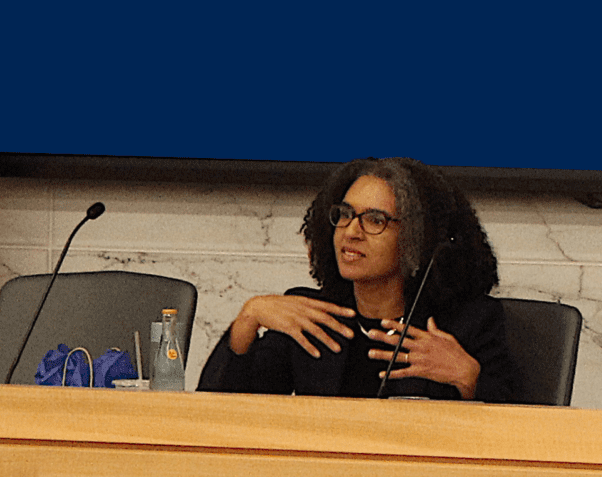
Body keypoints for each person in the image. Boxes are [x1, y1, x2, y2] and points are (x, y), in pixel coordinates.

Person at [197, 157, 518, 402]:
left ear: (420, 239)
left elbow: (520, 433)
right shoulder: (311, 317)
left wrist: (470, 379)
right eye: (346, 215)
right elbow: (220, 416)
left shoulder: (468, 323)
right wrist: (248, 318)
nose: (351, 232)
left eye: (375, 220)